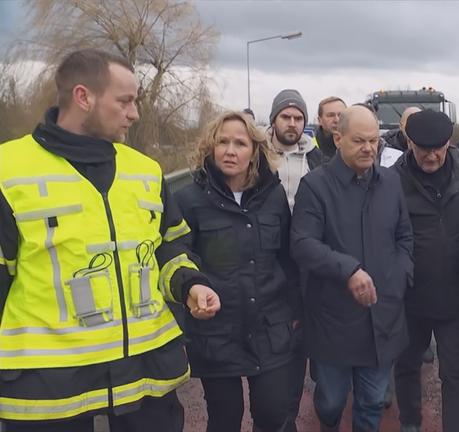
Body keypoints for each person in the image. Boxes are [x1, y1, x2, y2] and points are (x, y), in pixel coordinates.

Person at [0, 48, 220, 431]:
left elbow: (169, 248)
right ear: (84, 97)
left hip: (145, 376)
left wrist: (191, 285)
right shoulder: (9, 172)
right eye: (125, 101)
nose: (135, 113)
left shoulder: (146, 172)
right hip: (49, 390)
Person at [175, 111, 303, 432]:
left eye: (240, 143)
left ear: (255, 151)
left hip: (269, 326)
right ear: (210, 148)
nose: (230, 150)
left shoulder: (273, 196)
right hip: (217, 333)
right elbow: (180, 258)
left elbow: (287, 258)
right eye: (223, 142)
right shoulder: (188, 200)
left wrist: (295, 309)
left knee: (275, 414)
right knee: (225, 417)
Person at [291, 106, 413, 432]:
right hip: (334, 317)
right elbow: (302, 243)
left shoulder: (390, 182)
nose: (369, 148)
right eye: (359, 140)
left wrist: (398, 279)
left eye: (374, 141)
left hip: (382, 314)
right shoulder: (315, 186)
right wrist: (348, 270)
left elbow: (404, 237)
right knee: (330, 400)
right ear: (338, 138)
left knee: (372, 402)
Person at [393, 110, 459, 432]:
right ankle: (409, 423)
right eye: (423, 148)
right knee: (406, 365)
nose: (431, 155)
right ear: (409, 142)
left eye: (439, 147)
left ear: (449, 142)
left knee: (457, 373)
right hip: (411, 297)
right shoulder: (393, 178)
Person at [266, 89, 323, 211]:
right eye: (285, 117)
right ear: (273, 121)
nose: (292, 124)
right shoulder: (257, 155)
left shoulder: (316, 159)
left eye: (298, 119)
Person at [313, 96, 347, 161]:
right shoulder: (310, 148)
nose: (336, 120)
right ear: (319, 120)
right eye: (331, 115)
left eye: (341, 115)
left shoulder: (358, 145)